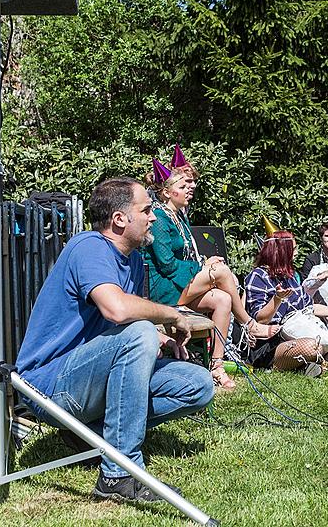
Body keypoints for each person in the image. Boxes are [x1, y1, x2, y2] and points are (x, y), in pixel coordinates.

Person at [15, 177, 214, 503]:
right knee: (140, 333)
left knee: (198, 384)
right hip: (49, 386)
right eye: (146, 210)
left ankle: (93, 437)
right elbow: (118, 311)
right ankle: (119, 474)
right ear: (120, 219)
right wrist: (172, 316)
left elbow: (128, 322)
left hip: (92, 374)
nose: (153, 217)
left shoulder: (135, 261)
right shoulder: (89, 247)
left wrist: (163, 339)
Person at [141, 154, 278, 391]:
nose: (190, 188)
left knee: (223, 299)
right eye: (183, 186)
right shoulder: (160, 218)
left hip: (180, 284)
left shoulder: (179, 216)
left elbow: (187, 257)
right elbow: (167, 265)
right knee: (221, 272)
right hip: (163, 289)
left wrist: (204, 263)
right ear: (166, 192)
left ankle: (217, 366)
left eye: (190, 184)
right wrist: (205, 268)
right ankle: (248, 323)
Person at [244, 230, 328, 374]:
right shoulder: (257, 276)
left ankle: (321, 367)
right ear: (282, 252)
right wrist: (277, 298)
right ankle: (312, 361)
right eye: (293, 249)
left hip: (304, 329)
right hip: (274, 343)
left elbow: (310, 307)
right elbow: (261, 320)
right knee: (311, 347)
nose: (296, 253)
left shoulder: (290, 276)